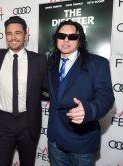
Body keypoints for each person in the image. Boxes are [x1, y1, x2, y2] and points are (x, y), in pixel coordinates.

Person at [47, 20, 115, 165]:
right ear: (56, 39)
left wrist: (89, 110)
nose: (66, 40)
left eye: (72, 37)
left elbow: (106, 96)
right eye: (61, 36)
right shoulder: (51, 62)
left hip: (82, 141)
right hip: (55, 140)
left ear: (80, 41)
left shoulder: (98, 63)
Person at [0, 16, 48, 166]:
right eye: (9, 33)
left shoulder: (38, 60)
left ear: (25, 34)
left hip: (28, 122)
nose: (13, 37)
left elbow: (48, 88)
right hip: (2, 122)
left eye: (18, 33)